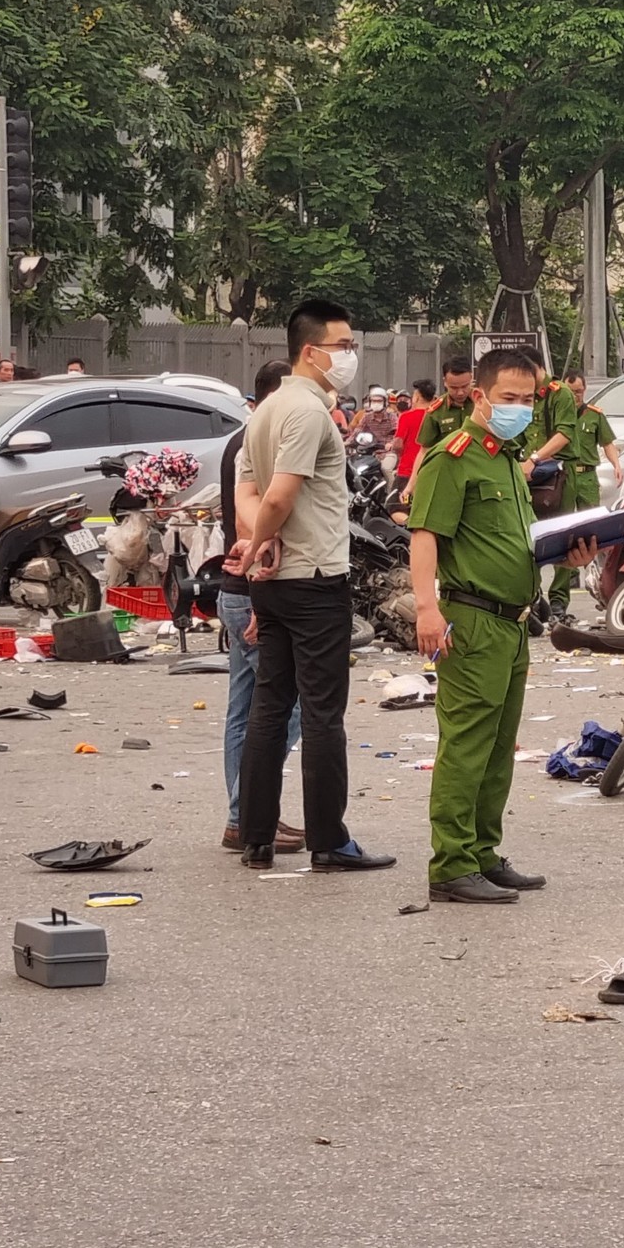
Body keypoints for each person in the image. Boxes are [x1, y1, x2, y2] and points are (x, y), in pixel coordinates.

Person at [406, 347, 598, 904]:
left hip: (513, 624)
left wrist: (566, 557)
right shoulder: (455, 456)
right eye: (507, 398)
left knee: (496, 749)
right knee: (466, 745)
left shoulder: (506, 461)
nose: (518, 407)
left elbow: (512, 543)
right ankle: (451, 865)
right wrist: (425, 608)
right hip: (471, 620)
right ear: (481, 396)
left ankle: (482, 853)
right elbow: (425, 535)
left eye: (527, 399)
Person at [226, 298, 394, 872]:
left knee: (270, 706)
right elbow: (278, 496)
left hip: (274, 582)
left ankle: (255, 837)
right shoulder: (305, 412)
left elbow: (247, 498)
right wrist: (261, 540)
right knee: (323, 713)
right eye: (343, 346)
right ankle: (329, 840)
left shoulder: (264, 412)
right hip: (315, 577)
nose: (350, 356)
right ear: (310, 351)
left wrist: (257, 542)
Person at [218, 359, 305, 854]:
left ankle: (243, 814)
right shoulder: (260, 443)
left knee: (245, 708)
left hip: (238, 588)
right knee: (281, 709)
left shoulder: (241, 440)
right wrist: (259, 600)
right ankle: (249, 812)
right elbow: (253, 526)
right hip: (252, 588)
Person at [548, 371, 621, 620]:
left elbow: (608, 442)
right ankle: (560, 594)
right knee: (564, 532)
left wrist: (616, 465)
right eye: (572, 392)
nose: (576, 396)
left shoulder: (594, 415)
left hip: (587, 476)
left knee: (593, 532)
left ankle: (602, 585)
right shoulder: (556, 413)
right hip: (565, 476)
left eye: (579, 391)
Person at [518, 348, 579, 625]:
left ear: (536, 368)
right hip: (527, 475)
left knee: (562, 536)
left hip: (558, 475)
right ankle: (532, 598)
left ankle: (558, 601)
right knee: (526, 536)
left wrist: (535, 458)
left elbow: (564, 434)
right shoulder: (522, 396)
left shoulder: (560, 393)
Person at [407, 357, 475, 499]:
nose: (461, 392)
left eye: (465, 386)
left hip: (480, 475)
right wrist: (412, 484)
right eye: (454, 388)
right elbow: (424, 450)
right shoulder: (436, 411)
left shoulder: (483, 403)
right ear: (445, 382)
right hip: (449, 477)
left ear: (472, 378)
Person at [391, 378, 437, 484]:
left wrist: (401, 455)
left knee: (396, 500)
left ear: (416, 397)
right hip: (430, 472)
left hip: (407, 472)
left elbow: (397, 444)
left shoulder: (406, 417)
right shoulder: (436, 416)